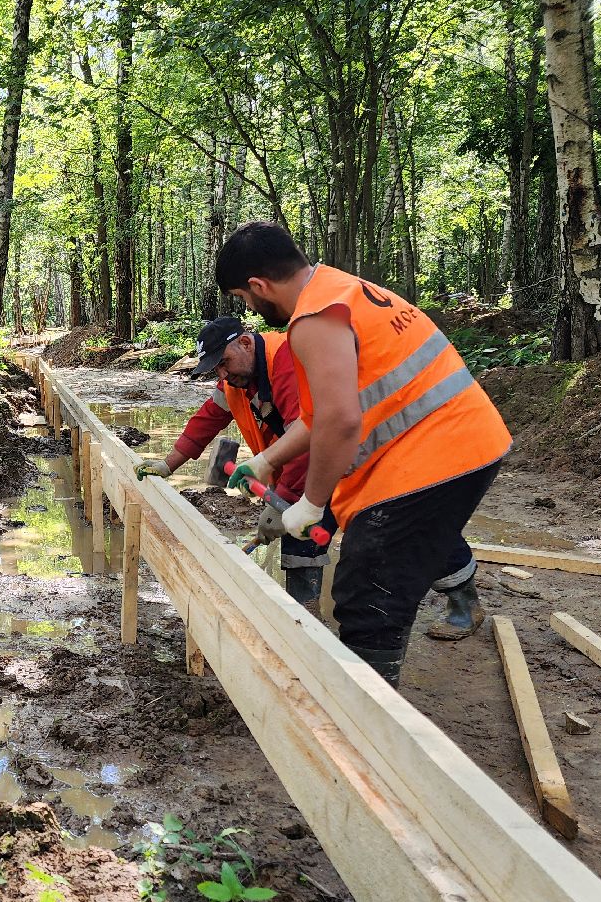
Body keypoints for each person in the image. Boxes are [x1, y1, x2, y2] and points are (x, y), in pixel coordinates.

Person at [212, 221, 512, 687]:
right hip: (466, 443)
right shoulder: (340, 290)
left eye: (243, 298)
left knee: (369, 595)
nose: (249, 307)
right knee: (377, 572)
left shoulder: (312, 320)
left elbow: (340, 422)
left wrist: (310, 504)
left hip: (435, 457)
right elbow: (317, 418)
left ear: (258, 285)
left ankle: (364, 731)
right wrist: (266, 461)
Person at [134, 314, 332, 607]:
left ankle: (311, 630)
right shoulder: (236, 381)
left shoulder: (287, 361)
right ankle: (307, 618)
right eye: (217, 369)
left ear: (245, 343)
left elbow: (306, 441)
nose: (223, 375)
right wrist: (168, 464)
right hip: (312, 468)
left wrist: (284, 501)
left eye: (224, 362)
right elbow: (207, 419)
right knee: (301, 542)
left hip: (342, 465)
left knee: (336, 551)